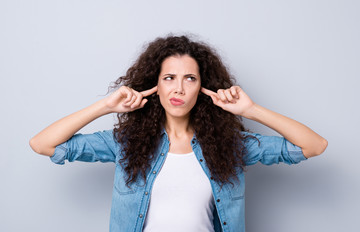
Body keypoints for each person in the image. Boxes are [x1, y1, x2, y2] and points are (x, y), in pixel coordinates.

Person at [29, 35, 327, 232]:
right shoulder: (125, 143)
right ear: (155, 85)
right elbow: (43, 144)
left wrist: (251, 111)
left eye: (190, 78)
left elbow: (313, 146)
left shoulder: (229, 145)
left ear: (203, 87)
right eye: (169, 78)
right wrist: (106, 106)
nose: (179, 88)